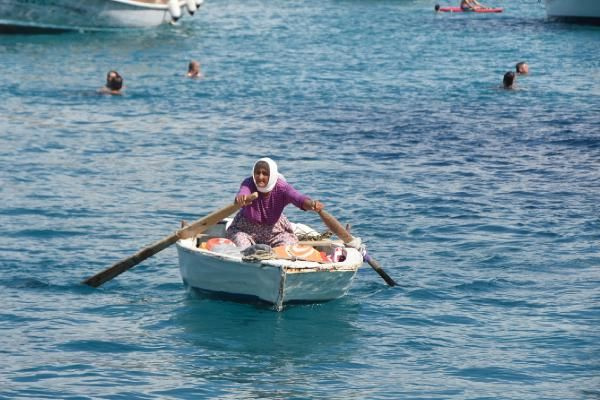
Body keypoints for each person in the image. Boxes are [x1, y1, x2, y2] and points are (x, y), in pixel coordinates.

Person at [226, 157, 324, 249]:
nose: (260, 177)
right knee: (241, 243)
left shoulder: (282, 188)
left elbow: (298, 198)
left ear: (272, 175)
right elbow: (243, 191)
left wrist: (312, 204)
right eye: (257, 173)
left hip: (274, 231)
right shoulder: (249, 182)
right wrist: (241, 198)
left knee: (288, 245)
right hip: (246, 229)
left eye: (265, 174)